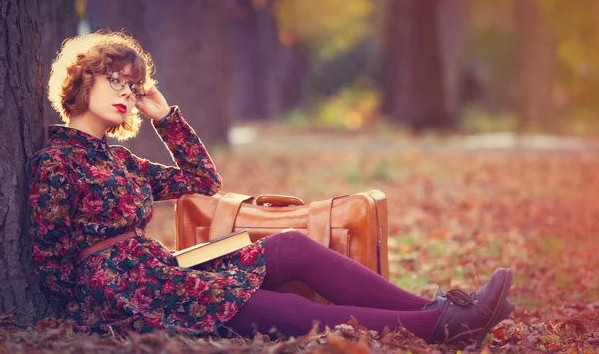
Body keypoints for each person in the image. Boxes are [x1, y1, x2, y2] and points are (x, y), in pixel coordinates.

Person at [29, 31, 514, 347]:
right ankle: (441, 328)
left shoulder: (118, 158)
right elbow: (51, 267)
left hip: (158, 271)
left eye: (132, 86)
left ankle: (445, 311)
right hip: (128, 293)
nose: (125, 93)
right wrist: (105, 311)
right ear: (80, 81)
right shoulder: (55, 162)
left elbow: (201, 182)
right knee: (286, 310)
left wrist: (165, 117)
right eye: (113, 80)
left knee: (290, 247)